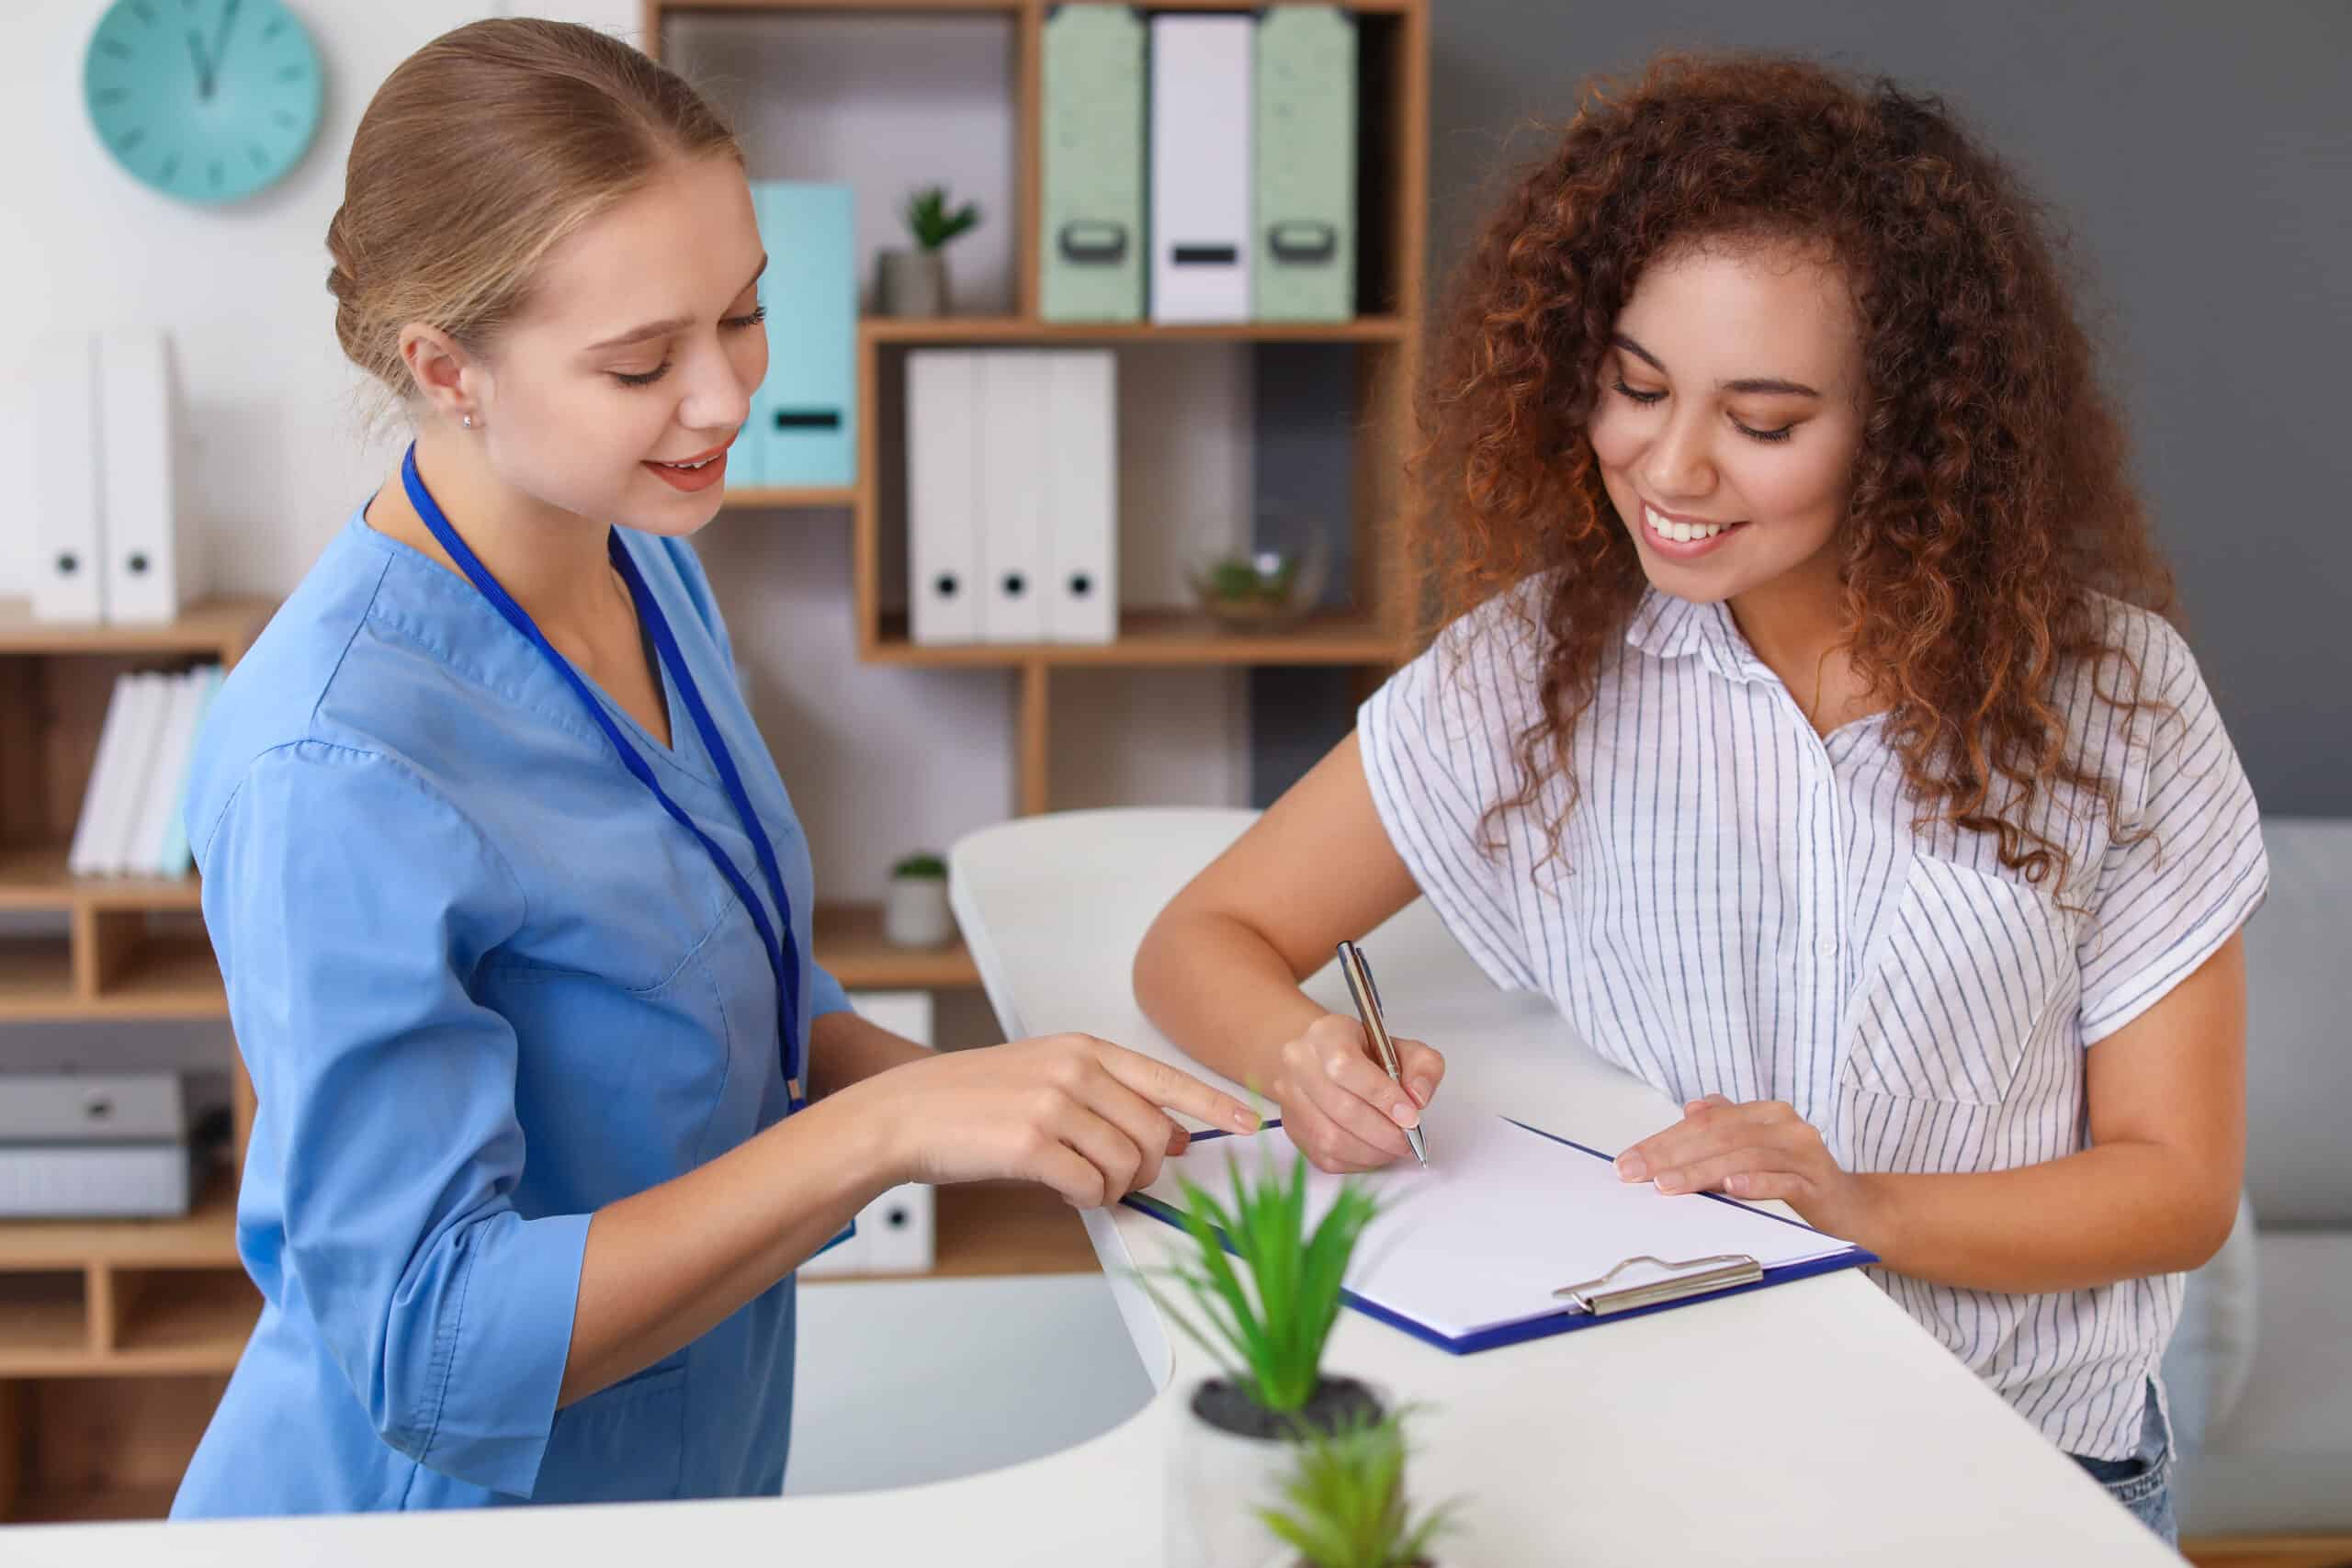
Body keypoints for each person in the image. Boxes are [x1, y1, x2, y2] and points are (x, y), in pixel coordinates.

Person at [1131, 51, 2267, 1548]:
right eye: (1636, 386)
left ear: (1910, 431)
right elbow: (1199, 937)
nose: (1670, 466)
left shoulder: (2110, 698)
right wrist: (1303, 1053)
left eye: (1766, 420)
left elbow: (2175, 1186)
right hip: (1658, 1466)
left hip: (2018, 1478)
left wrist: (1859, 1204)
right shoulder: (1535, 670)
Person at [172, 17, 1258, 1518]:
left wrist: (996, 1103)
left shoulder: (642, 566)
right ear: (445, 368)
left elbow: (725, 977)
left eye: (743, 314)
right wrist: (882, 1135)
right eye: (640, 361)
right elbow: (430, 1349)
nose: (725, 396)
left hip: (690, 1468)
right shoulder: (335, 763)